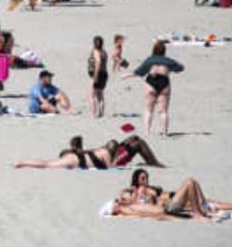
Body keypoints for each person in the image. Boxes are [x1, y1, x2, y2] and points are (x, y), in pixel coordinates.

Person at [107, 174, 232, 221]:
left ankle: (204, 209)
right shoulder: (135, 197)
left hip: (173, 198)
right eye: (143, 178)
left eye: (146, 177)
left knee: (208, 200)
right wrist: (125, 191)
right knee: (191, 182)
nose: (146, 180)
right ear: (136, 180)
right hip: (170, 204)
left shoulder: (148, 189)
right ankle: (200, 212)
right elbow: (125, 202)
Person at [123, 40, 183, 136]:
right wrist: (171, 68)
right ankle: (164, 133)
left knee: (148, 110)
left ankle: (147, 132)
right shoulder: (168, 61)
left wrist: (126, 75)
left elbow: (139, 72)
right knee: (163, 111)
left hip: (151, 83)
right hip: (164, 83)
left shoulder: (150, 60)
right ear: (164, 50)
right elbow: (180, 68)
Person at [13, 135, 163, 169]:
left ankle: (153, 161)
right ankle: (154, 163)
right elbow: (45, 164)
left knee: (134, 137)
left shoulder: (79, 153)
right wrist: (23, 162)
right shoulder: (71, 159)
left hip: (108, 151)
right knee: (138, 143)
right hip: (113, 157)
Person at [88, 35, 108, 118]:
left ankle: (93, 114)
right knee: (100, 95)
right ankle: (101, 113)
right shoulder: (104, 52)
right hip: (104, 74)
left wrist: (95, 76)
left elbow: (98, 63)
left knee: (91, 95)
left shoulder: (96, 52)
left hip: (97, 74)